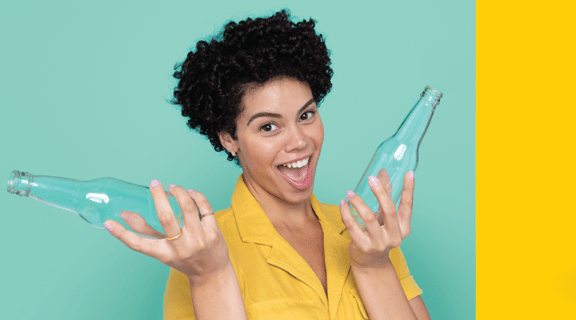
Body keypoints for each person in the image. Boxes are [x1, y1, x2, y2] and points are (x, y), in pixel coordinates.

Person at [102, 10, 430, 320]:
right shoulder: (201, 251)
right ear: (229, 139)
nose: (299, 141)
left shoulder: (371, 234)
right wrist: (209, 277)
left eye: (306, 115)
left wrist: (374, 265)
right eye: (268, 127)